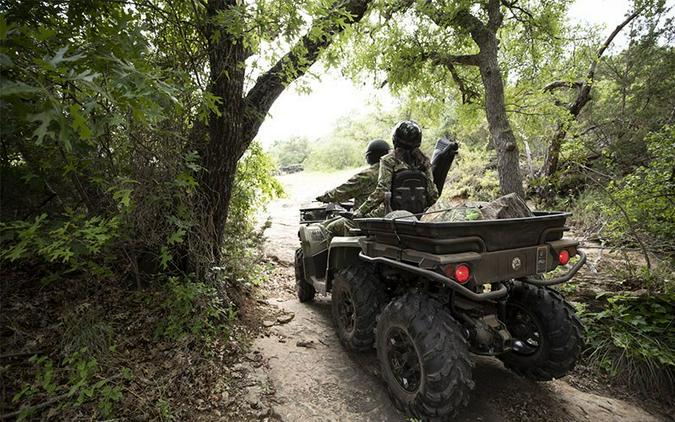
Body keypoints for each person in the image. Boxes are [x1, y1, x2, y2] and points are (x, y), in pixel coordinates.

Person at [354, 120, 438, 217]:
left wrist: (361, 211)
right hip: (420, 215)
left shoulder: (388, 160)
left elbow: (382, 191)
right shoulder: (424, 161)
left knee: (347, 223)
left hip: (392, 215)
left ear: (395, 140)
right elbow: (433, 194)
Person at [315, 139, 391, 237]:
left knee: (330, 228)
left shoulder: (368, 175)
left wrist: (324, 197)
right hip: (389, 217)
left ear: (369, 156)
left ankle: (339, 252)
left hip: (366, 220)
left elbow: (342, 191)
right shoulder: (394, 170)